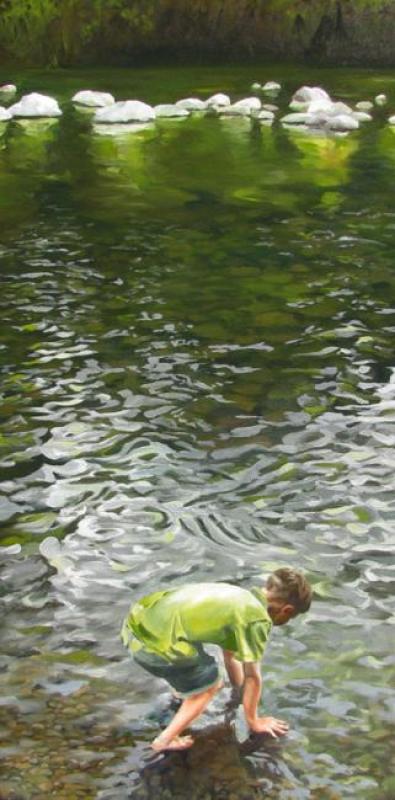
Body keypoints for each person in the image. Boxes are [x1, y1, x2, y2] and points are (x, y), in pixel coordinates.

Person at [121, 568, 312, 752]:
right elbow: (253, 676)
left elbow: (230, 653)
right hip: (154, 647)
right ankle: (164, 740)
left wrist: (238, 693)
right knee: (211, 685)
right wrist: (254, 721)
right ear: (287, 610)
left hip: (135, 627)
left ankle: (183, 696)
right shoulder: (257, 620)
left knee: (194, 666)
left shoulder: (239, 598)